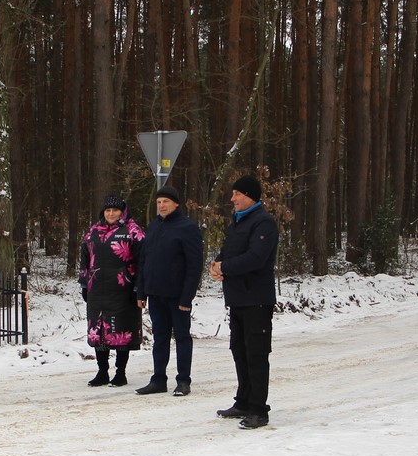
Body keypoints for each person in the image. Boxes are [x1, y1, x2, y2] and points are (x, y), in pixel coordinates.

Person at [209, 174, 278, 428]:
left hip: (256, 299)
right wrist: (216, 265)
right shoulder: (237, 223)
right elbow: (228, 253)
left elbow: (256, 258)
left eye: (237, 194)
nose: (232, 198)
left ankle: (259, 409)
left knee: (256, 354)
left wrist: (225, 267)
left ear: (250, 196)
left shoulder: (264, 223)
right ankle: (244, 401)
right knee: (239, 351)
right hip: (237, 298)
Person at [134, 185, 203, 396]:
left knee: (182, 337)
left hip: (178, 296)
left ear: (176, 204)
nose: (162, 205)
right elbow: (144, 261)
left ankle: (183, 381)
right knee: (160, 338)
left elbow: (194, 266)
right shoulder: (153, 226)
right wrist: (141, 291)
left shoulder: (187, 228)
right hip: (155, 294)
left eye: (166, 201)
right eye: (159, 202)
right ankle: (158, 379)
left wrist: (187, 297)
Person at [79, 192, 145, 387]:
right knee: (99, 331)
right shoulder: (93, 232)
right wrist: (84, 283)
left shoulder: (133, 231)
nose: (111, 213)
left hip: (123, 290)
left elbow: (143, 261)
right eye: (108, 210)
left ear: (122, 211)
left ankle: (120, 373)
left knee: (121, 331)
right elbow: (84, 259)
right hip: (97, 290)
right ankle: (102, 372)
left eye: (115, 210)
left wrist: (138, 288)